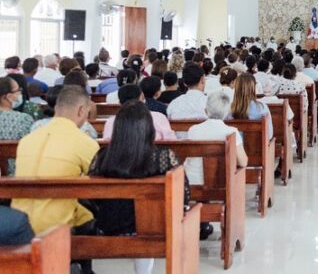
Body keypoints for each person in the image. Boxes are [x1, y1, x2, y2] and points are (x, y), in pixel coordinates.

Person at [88, 103, 193, 274]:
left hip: (108, 226)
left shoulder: (102, 156)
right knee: (154, 215)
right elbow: (184, 195)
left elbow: (91, 196)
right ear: (148, 128)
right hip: (153, 229)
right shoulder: (163, 156)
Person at [12, 86, 99, 273]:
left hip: (18, 220)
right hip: (55, 225)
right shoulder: (84, 142)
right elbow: (97, 181)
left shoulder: (28, 139)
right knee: (89, 215)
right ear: (81, 110)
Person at [186, 91, 248, 185]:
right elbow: (243, 162)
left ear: (206, 110)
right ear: (227, 112)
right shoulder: (232, 132)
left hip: (193, 181)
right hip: (221, 183)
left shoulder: (193, 130)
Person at [103, 84, 176, 140]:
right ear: (142, 98)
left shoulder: (111, 122)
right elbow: (171, 142)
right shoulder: (158, 117)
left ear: (119, 103)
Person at [0, 76, 34, 175]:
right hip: (17, 178)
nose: (20, 93)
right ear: (8, 97)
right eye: (18, 90)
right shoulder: (23, 120)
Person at [231, 73, 273, 139]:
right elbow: (269, 135)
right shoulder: (262, 107)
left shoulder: (229, 109)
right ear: (253, 87)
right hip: (258, 148)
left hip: (235, 148)